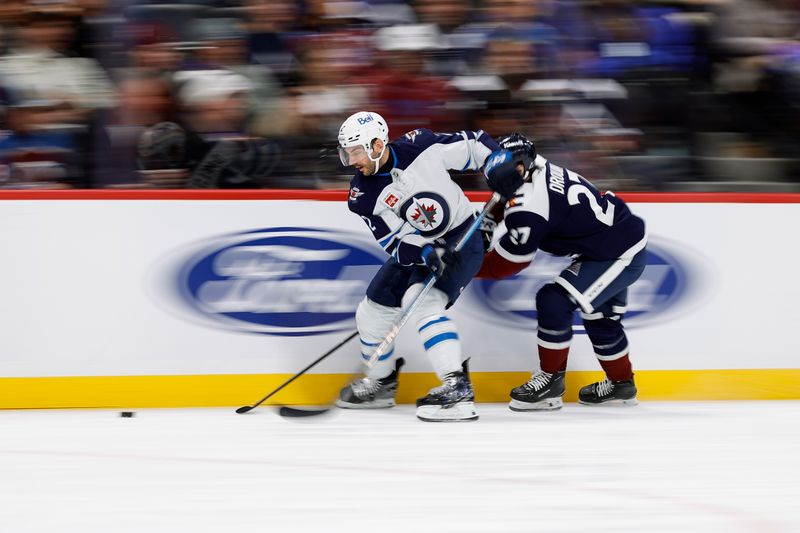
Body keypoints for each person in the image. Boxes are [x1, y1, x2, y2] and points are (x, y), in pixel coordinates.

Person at [334, 110, 501, 422]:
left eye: (356, 151)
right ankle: (381, 384)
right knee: (372, 310)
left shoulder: (419, 146)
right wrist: (426, 251)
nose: (351, 160)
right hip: (422, 249)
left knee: (421, 302)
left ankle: (457, 387)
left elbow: (474, 146)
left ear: (376, 144)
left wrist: (500, 164)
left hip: (464, 236)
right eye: (347, 153)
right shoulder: (362, 196)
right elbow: (394, 243)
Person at [477, 133, 647, 410]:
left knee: (553, 300)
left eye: (512, 169)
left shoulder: (530, 207)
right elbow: (504, 194)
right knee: (599, 318)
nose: (507, 177)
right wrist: (487, 222)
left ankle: (551, 381)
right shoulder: (537, 167)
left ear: (524, 165)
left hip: (617, 253)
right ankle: (621, 385)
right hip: (615, 239)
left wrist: (467, 268)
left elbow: (512, 261)